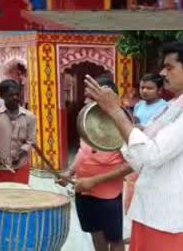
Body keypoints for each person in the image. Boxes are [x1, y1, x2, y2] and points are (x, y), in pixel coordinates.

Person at [85, 38, 183, 251]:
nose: (163, 73)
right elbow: (140, 154)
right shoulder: (174, 108)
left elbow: (151, 154)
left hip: (172, 221)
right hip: (151, 212)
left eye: (169, 67)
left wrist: (115, 111)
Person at [58, 74, 132, 251]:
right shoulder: (89, 119)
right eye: (86, 96)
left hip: (108, 196)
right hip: (84, 192)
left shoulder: (122, 124)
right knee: (95, 233)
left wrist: (94, 181)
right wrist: (70, 172)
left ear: (108, 96)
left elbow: (132, 165)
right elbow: (83, 152)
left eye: (91, 96)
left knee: (114, 238)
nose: (85, 100)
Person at [0, 78, 37, 184]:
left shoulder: (30, 117)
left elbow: (31, 140)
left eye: (17, 94)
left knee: (21, 196)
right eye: (10, 95)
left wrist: (21, 154)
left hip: (21, 166)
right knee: (2, 197)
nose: (15, 97)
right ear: (2, 96)